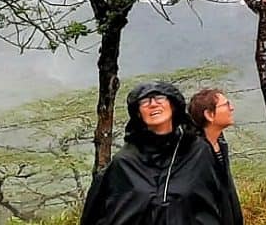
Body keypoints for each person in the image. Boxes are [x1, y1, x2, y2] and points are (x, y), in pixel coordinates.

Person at [80, 81, 240, 225]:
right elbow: (100, 212)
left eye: (160, 98)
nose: (153, 104)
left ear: (173, 105)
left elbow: (221, 204)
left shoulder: (197, 152)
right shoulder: (124, 162)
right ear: (138, 113)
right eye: (144, 101)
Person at [188, 88, 243, 225]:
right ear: (209, 115)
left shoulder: (219, 143)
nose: (232, 108)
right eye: (226, 105)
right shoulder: (197, 153)